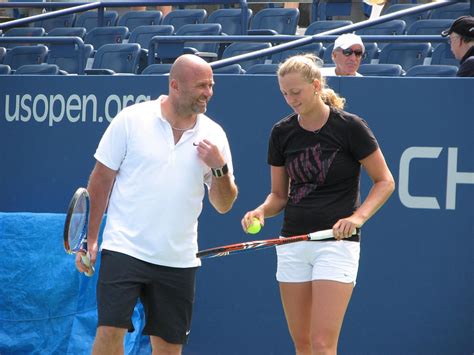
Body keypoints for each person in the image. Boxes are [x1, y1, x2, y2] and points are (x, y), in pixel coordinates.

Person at [76, 54, 238, 354]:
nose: (209, 92)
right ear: (175, 86)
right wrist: (92, 237)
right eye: (202, 85)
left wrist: (219, 168)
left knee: (167, 348)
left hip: (178, 259)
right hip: (124, 248)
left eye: (211, 85)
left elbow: (223, 203)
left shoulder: (215, 135)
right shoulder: (132, 119)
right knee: (110, 331)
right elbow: (101, 180)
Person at [241, 54, 395, 354]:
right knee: (303, 344)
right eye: (284, 93)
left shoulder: (350, 127)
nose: (290, 99)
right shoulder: (281, 132)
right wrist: (261, 210)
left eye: (295, 92)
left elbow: (385, 181)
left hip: (336, 245)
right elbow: (279, 196)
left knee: (323, 344)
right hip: (292, 242)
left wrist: (358, 218)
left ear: (314, 86)